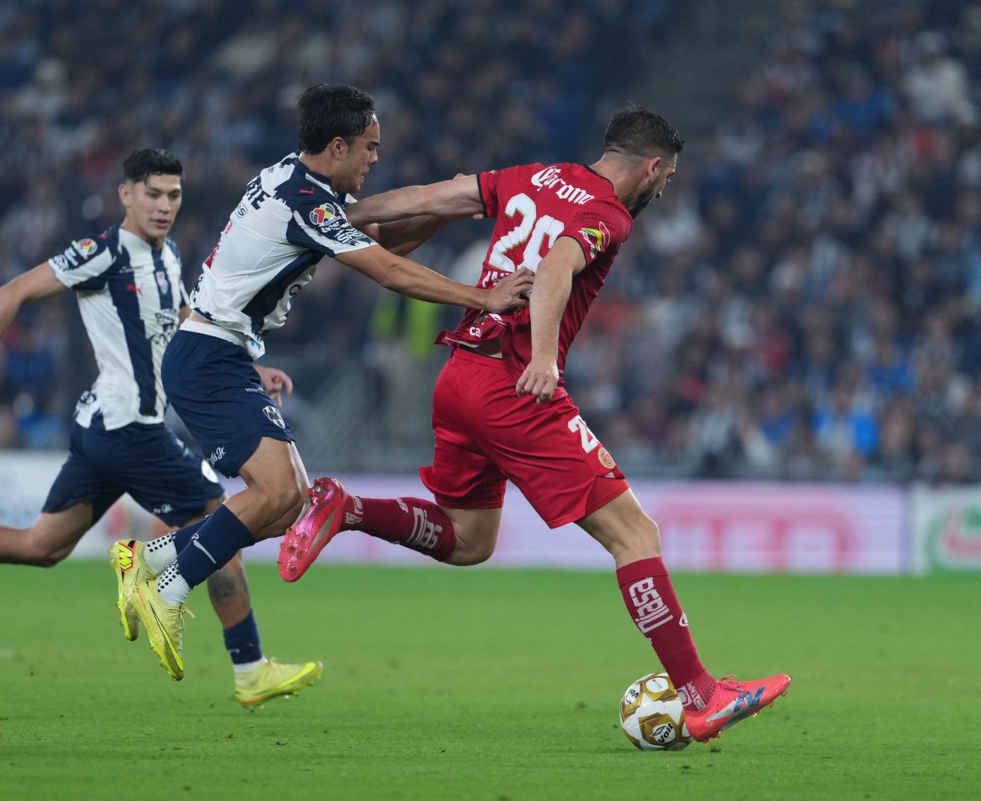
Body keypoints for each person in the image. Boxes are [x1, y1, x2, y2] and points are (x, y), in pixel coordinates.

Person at [279, 105, 791, 743]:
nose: (664, 190)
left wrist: (338, 218)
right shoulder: (609, 213)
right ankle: (702, 694)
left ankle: (345, 508)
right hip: (513, 385)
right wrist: (544, 357)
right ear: (653, 167)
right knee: (635, 534)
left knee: (469, 541)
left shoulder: (533, 176)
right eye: (667, 178)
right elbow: (554, 268)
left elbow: (432, 194)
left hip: (460, 375)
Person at [0, 148, 322, 708]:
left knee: (42, 545)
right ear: (126, 194)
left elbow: (176, 323)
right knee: (221, 527)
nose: (165, 205)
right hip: (130, 427)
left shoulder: (169, 256)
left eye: (173, 195)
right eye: (153, 193)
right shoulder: (101, 253)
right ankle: (245, 665)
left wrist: (248, 369)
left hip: (104, 430)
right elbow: (13, 292)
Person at [122, 84, 535, 681]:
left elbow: (377, 243)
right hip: (209, 355)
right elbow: (386, 269)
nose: (374, 158)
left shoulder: (294, 182)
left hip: (218, 353)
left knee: (289, 501)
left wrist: (441, 210)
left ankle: (149, 560)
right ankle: (167, 590)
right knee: (277, 494)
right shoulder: (306, 202)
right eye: (369, 147)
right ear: (337, 146)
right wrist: (482, 296)